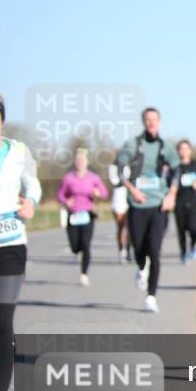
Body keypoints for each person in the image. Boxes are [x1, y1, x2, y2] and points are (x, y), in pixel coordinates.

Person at [0, 92, 42, 391]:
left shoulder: (18, 152)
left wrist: (31, 204)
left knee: (2, 318)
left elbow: (33, 185)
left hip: (11, 243)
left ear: (1, 120)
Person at [115, 107, 178, 313]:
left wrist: (171, 195)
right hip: (137, 205)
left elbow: (177, 169)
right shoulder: (133, 144)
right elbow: (120, 168)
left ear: (159, 122)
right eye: (148, 120)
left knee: (155, 251)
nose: (151, 123)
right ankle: (141, 267)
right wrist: (132, 190)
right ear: (143, 122)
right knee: (139, 248)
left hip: (158, 205)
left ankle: (151, 297)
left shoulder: (165, 146)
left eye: (154, 119)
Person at [56, 148, 108, 286]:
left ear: (87, 162)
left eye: (82, 160)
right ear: (75, 162)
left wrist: (98, 193)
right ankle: (77, 252)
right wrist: (66, 201)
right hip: (72, 215)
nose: (80, 163)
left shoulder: (93, 178)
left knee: (86, 245)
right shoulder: (68, 178)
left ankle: (84, 274)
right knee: (75, 247)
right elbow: (60, 194)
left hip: (87, 215)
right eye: (78, 160)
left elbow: (104, 193)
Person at [169, 140, 196, 263]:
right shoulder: (175, 167)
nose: (184, 151)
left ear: (190, 150)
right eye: (181, 149)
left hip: (193, 200)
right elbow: (169, 183)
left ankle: (193, 246)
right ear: (178, 151)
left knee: (193, 228)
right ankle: (183, 253)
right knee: (181, 229)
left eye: (186, 148)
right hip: (179, 202)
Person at [108, 162, 133, 262]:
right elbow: (115, 182)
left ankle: (128, 250)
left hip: (129, 198)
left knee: (130, 228)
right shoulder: (113, 167)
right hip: (118, 200)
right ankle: (121, 250)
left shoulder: (129, 166)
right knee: (120, 227)